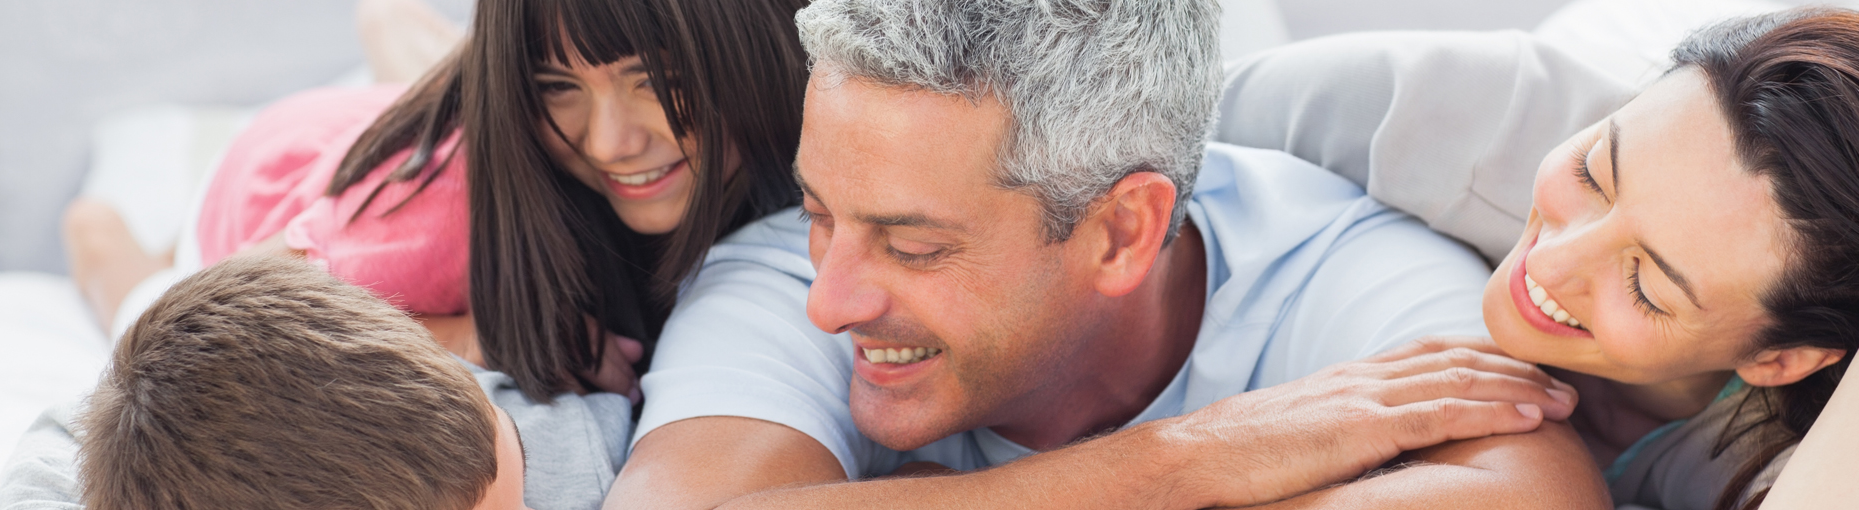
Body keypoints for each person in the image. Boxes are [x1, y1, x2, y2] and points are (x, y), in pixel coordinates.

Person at [606, 1, 1603, 508]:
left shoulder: (1337, 273)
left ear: (1123, 230)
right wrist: (1180, 464)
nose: (829, 300)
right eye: (822, 210)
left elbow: (1533, 498)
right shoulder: (777, 276)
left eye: (914, 246)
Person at [1212, 7, 1859, 509]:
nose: (1551, 264)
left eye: (1645, 286)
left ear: (1778, 359)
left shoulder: (1777, 462)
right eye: (1594, 173)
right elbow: (1144, 156)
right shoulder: (1446, 106)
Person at [60, 0, 812, 403]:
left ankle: (402, 37)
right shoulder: (442, 213)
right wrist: (473, 338)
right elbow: (213, 318)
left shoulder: (821, 100)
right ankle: (105, 240)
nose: (613, 142)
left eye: (656, 78)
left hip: (429, 128)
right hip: (272, 184)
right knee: (148, 293)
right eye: (556, 86)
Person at [0, 256, 635, 510]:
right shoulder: (92, 460)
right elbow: (72, 430)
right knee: (119, 276)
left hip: (296, 278)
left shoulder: (589, 461)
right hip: (202, 331)